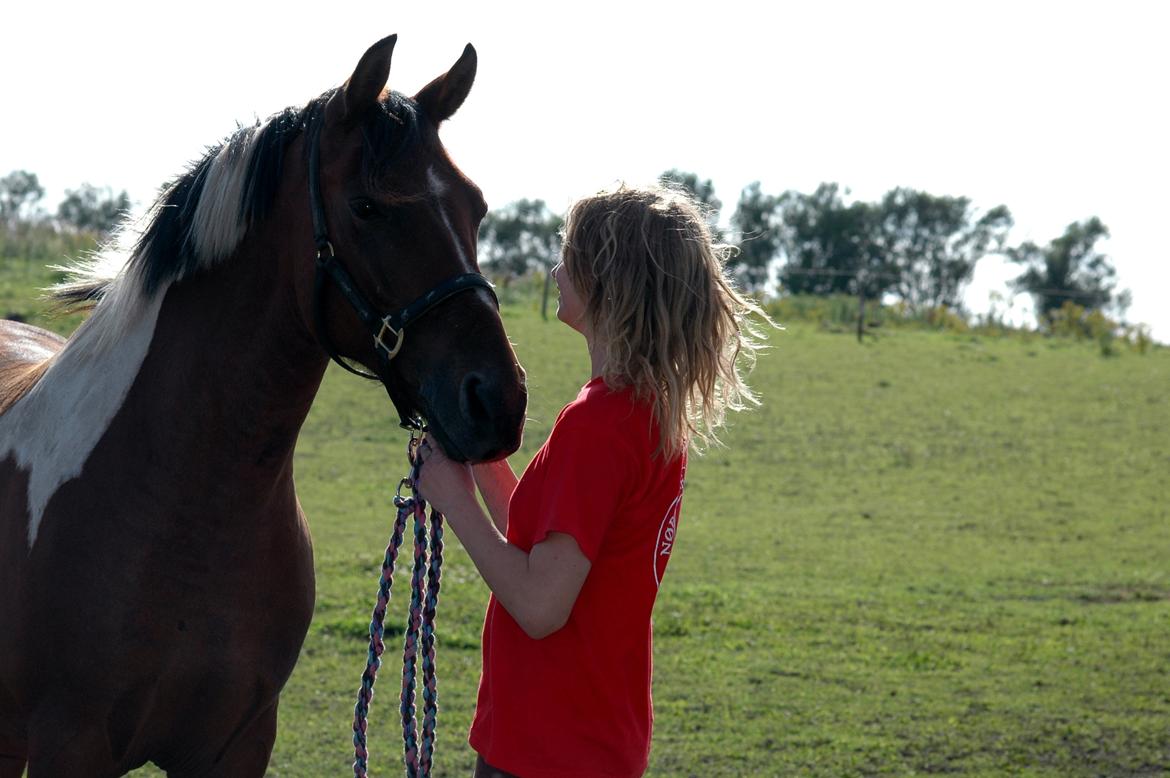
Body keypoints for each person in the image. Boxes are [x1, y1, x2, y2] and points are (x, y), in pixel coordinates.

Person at [416, 183, 773, 777]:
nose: (556, 270)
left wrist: (453, 502)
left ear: (608, 279)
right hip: (590, 740)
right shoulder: (639, 413)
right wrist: (476, 450)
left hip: (547, 748)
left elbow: (538, 604)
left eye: (569, 255)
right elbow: (541, 545)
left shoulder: (598, 425)